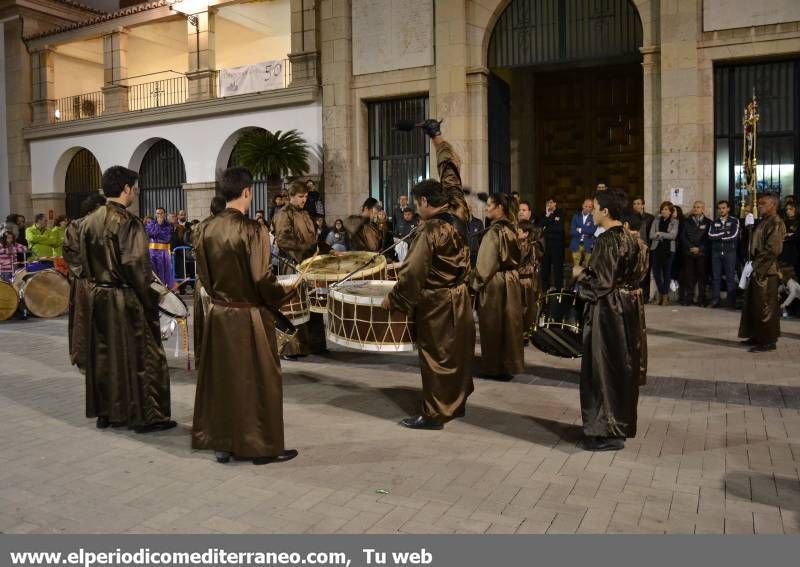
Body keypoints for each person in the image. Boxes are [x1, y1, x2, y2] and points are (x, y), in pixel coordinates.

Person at [192, 167, 297, 464]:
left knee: (222, 379)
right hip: (248, 316)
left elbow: (205, 277)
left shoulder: (203, 229)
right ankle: (262, 446)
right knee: (261, 379)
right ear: (248, 192)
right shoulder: (254, 229)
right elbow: (262, 278)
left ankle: (223, 444)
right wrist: (286, 291)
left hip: (219, 314)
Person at [80, 166, 175, 432]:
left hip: (99, 295)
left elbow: (83, 263)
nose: (135, 192)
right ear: (125, 189)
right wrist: (151, 302)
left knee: (105, 354)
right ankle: (147, 416)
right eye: (134, 188)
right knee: (144, 356)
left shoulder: (88, 221)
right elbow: (136, 266)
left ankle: (107, 412)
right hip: (125, 296)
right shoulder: (128, 222)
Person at [382, 179, 475, 429]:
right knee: (457, 353)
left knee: (435, 355)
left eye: (417, 203)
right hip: (460, 296)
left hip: (437, 301)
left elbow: (413, 271)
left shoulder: (430, 229)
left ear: (424, 201)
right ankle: (457, 404)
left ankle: (434, 414)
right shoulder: (459, 220)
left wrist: (395, 299)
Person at [573, 189, 647, 451]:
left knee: (603, 369)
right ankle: (619, 426)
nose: (591, 213)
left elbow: (600, 282)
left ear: (605, 211)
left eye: (594, 209)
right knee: (621, 368)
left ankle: (607, 430)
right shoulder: (632, 238)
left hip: (608, 312)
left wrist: (580, 275)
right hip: (627, 308)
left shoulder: (607, 240)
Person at [471, 193, 524, 381]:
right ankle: (507, 366)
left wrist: (473, 284)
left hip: (495, 283)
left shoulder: (494, 232)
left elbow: (485, 265)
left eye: (490, 205)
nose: (487, 208)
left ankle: (493, 368)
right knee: (508, 326)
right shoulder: (512, 228)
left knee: (492, 325)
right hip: (510, 280)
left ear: (500, 208)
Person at [273, 181, 327, 358]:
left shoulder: (305, 214)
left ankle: (315, 344)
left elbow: (313, 240)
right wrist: (303, 249)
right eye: (300, 197)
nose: (304, 200)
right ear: (291, 197)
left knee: (312, 303)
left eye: (305, 196)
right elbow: (282, 239)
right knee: (294, 307)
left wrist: (326, 249)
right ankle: (292, 349)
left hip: (309, 263)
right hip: (292, 264)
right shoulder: (283, 214)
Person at [62, 194, 106, 372]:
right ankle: (85, 359)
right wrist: (90, 273)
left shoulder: (107, 225)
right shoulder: (76, 225)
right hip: (85, 283)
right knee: (84, 320)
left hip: (106, 282)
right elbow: (71, 253)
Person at [739, 194, 785, 353]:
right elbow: (754, 243)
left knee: (766, 306)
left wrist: (756, 266)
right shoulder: (764, 221)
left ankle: (768, 340)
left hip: (766, 270)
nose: (760, 206)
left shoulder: (776, 222)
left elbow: (773, 249)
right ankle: (756, 335)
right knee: (754, 304)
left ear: (773, 205)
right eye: (759, 203)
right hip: (756, 267)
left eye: (763, 203)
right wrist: (748, 228)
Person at [190, 195, 227, 357]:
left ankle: (203, 358)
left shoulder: (200, 227)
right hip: (222, 279)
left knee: (203, 321)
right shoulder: (228, 225)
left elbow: (196, 253)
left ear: (210, 210)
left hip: (204, 278)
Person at [707, 200, 740, 309]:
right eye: (720, 208)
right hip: (716, 253)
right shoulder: (714, 222)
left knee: (730, 278)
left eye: (723, 208)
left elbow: (733, 236)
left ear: (728, 209)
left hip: (729, 253)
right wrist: (724, 232)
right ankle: (715, 300)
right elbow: (711, 235)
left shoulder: (734, 221)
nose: (721, 210)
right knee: (716, 278)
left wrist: (719, 235)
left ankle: (731, 303)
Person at [678, 201, 711, 306]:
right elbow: (683, 237)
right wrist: (690, 247)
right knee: (689, 276)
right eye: (694, 207)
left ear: (703, 209)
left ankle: (701, 299)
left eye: (698, 207)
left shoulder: (708, 222)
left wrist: (700, 248)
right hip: (689, 253)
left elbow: (709, 238)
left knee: (702, 277)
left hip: (702, 254)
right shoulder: (686, 221)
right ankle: (689, 298)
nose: (696, 209)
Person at [518, 220, 544, 344]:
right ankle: (522, 333)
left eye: (518, 230)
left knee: (527, 307)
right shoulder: (526, 245)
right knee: (524, 307)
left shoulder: (527, 246)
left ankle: (524, 334)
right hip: (525, 280)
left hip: (526, 280)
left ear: (525, 233)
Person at [649, 201, 679, 305]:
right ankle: (662, 293)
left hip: (669, 250)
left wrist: (659, 234)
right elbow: (651, 235)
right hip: (656, 249)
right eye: (662, 209)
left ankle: (665, 297)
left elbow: (673, 236)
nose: (663, 211)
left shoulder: (675, 222)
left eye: (666, 209)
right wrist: (664, 235)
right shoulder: (656, 220)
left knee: (667, 274)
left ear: (670, 211)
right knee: (656, 273)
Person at [145, 207, 175, 290]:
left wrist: (158, 229)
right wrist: (158, 226)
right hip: (152, 252)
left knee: (164, 271)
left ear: (164, 214)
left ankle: (164, 288)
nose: (159, 215)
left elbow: (166, 238)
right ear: (155, 214)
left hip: (163, 252)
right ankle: (153, 288)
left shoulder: (168, 225)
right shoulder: (151, 223)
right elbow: (149, 233)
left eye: (161, 213)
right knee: (153, 272)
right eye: (158, 213)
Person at [632, 197, 655, 302]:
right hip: (634, 248)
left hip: (647, 248)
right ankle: (635, 295)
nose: (636, 205)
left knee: (645, 272)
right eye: (634, 203)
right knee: (635, 272)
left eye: (638, 203)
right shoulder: (630, 217)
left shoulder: (650, 217)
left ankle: (645, 296)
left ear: (643, 205)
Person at [540, 197, 565, 290]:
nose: (549, 204)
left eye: (551, 202)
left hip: (557, 246)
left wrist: (547, 226)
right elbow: (540, 227)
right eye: (547, 202)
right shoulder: (543, 214)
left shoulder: (560, 213)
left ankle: (559, 289)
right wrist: (548, 216)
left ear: (555, 204)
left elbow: (559, 229)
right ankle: (545, 289)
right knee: (545, 268)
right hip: (546, 245)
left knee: (557, 268)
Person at [569, 199, 595, 270]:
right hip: (576, 243)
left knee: (587, 267)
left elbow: (592, 231)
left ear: (592, 208)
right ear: (582, 206)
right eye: (586, 206)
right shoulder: (576, 216)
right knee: (576, 267)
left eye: (590, 207)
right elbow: (572, 231)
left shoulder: (594, 218)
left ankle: (585, 281)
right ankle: (576, 280)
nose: (587, 208)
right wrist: (586, 230)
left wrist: (580, 229)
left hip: (588, 244)